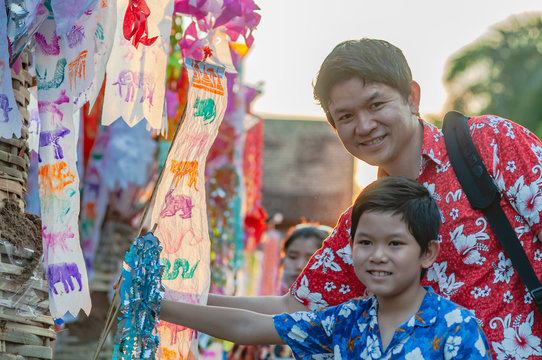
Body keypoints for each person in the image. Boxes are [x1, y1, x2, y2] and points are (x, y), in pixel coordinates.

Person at [206, 38, 542, 358]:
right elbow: (293, 308)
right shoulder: (364, 221)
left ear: (412, 97)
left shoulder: (490, 144)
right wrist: (171, 295)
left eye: (376, 104)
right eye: (346, 117)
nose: (365, 125)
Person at [161, 176, 492, 359]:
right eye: (365, 242)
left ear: (427, 253)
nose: (378, 255)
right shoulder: (345, 320)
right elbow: (248, 328)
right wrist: (160, 303)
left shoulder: (457, 328)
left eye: (395, 244)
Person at [228, 223, 331, 360]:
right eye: (292, 257)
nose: (300, 265)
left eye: (311, 258)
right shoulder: (260, 316)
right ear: (282, 260)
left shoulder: (338, 320)